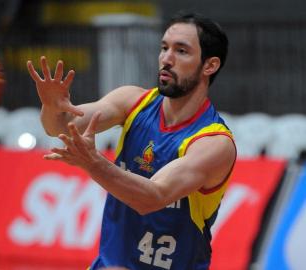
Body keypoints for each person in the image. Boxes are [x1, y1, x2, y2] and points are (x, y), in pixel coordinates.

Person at [27, 11, 236, 270]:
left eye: (181, 51)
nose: (166, 59)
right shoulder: (132, 101)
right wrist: (51, 106)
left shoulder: (213, 143)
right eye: (164, 48)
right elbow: (57, 127)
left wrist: (93, 164)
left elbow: (151, 198)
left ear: (209, 65)